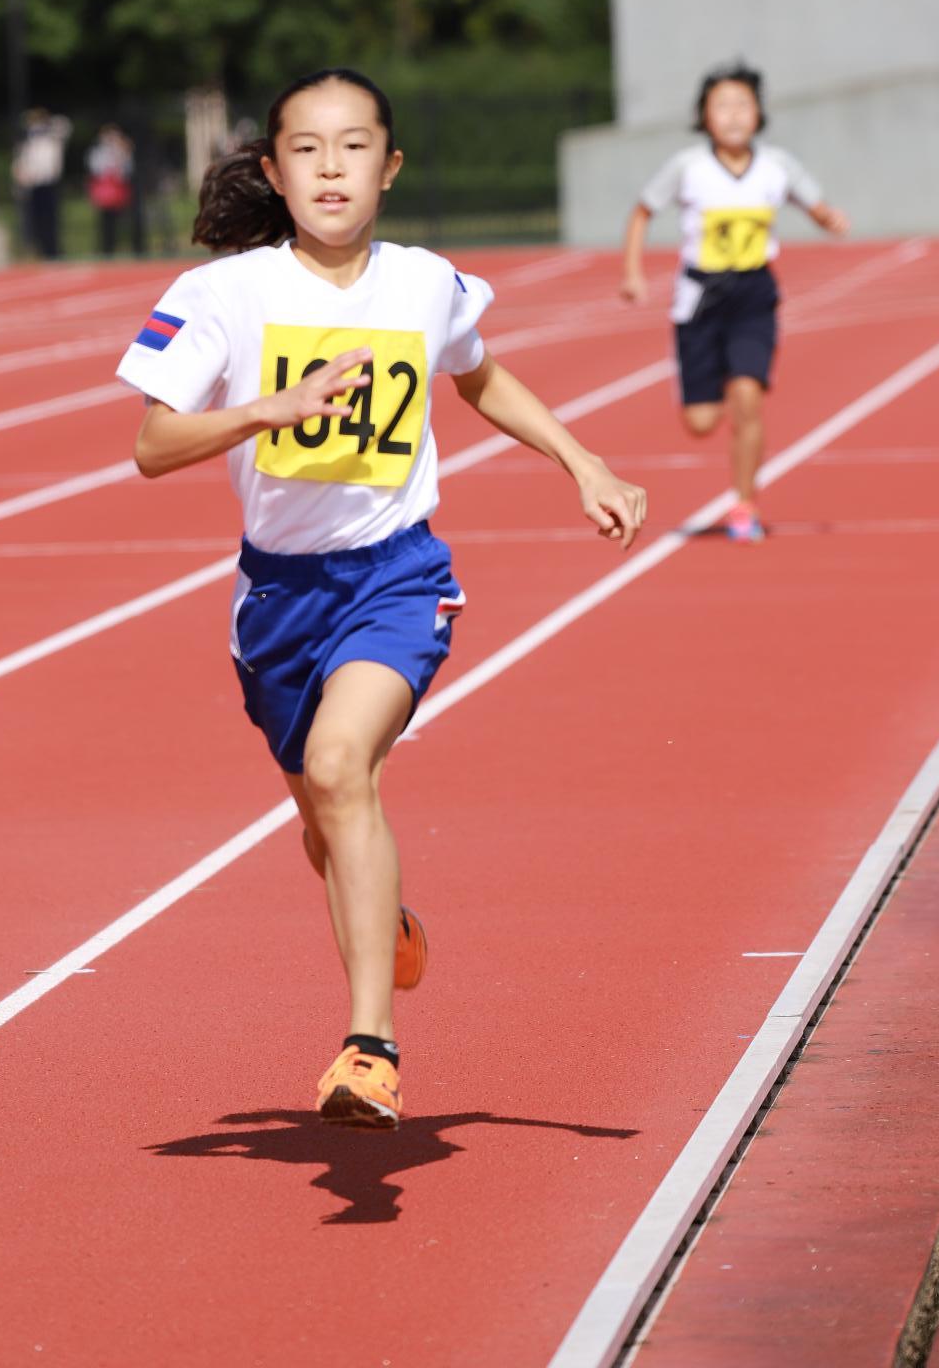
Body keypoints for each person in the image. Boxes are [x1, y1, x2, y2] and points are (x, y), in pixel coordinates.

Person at [116, 68, 647, 1130]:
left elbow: (479, 375)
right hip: (276, 601)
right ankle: (386, 917)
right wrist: (273, 405)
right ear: (272, 170)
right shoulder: (223, 295)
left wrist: (581, 460)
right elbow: (151, 444)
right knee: (327, 823)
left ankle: (370, 1048)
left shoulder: (423, 283)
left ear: (389, 168)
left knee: (338, 765)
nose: (329, 168)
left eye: (352, 146)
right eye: (305, 149)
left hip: (395, 576)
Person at [619, 63, 847, 543]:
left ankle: (745, 506)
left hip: (753, 294)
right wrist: (633, 273)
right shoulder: (688, 167)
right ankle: (716, 378)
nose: (733, 114)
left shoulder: (777, 166)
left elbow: (814, 203)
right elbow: (642, 212)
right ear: (704, 116)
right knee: (701, 422)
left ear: (759, 113)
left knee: (749, 399)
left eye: (742, 103)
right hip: (700, 300)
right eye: (721, 105)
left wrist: (828, 218)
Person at [12, 109, 71, 260]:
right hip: (33, 185)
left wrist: (46, 123)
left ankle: (53, 251)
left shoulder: (52, 138)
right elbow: (21, 163)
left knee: (51, 219)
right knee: (34, 221)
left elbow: (64, 126)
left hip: (49, 184)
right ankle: (39, 251)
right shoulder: (27, 143)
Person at [86, 123, 135, 256]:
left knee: (124, 221)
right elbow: (96, 169)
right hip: (105, 191)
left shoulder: (123, 150)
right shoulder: (98, 151)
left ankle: (129, 248)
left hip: (119, 191)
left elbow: (127, 170)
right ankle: (107, 249)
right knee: (105, 222)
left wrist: (121, 152)